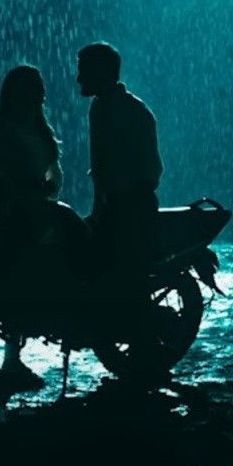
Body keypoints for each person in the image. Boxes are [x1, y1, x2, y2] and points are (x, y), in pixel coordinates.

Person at [0, 65, 62, 393]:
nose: (40, 94)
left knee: (11, 291)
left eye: (39, 88)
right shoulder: (10, 132)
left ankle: (6, 362)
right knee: (0, 292)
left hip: (29, 217)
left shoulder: (28, 131)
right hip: (9, 220)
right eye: (34, 88)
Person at [76, 42, 163, 289]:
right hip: (115, 207)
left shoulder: (131, 112)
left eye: (84, 71)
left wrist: (115, 205)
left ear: (101, 72)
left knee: (116, 284)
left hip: (130, 211)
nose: (79, 78)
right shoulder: (100, 107)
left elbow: (148, 171)